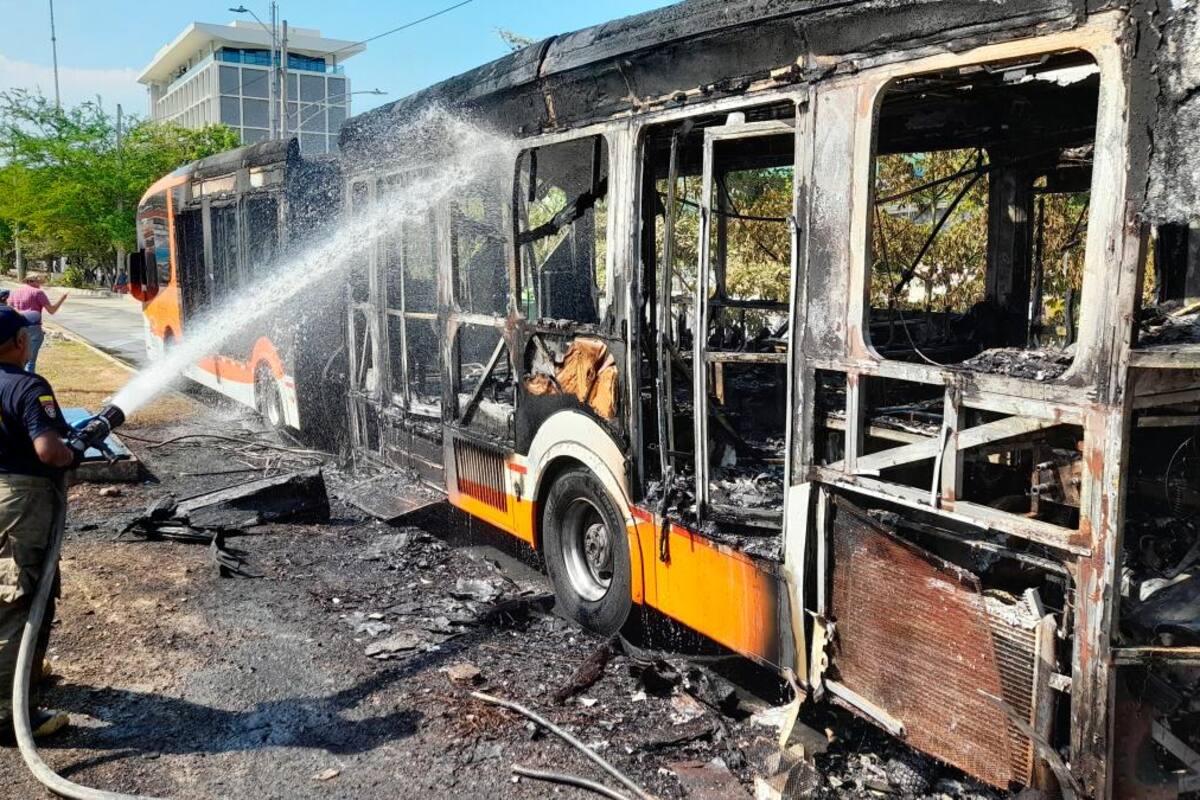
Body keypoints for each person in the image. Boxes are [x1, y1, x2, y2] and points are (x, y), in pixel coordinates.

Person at [0, 307, 75, 742]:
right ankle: (11, 714)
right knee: (21, 598)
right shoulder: (28, 386)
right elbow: (49, 451)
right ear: (17, 344)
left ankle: (20, 673)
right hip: (19, 501)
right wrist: (72, 454)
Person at [7, 277, 68, 373]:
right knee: (30, 361)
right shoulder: (38, 292)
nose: (40, 285)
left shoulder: (14, 293)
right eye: (39, 282)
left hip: (18, 328)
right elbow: (51, 311)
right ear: (32, 281)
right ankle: (28, 383)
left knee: (19, 358)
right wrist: (62, 299)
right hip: (33, 326)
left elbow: (10, 310)